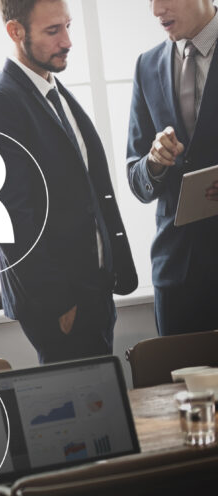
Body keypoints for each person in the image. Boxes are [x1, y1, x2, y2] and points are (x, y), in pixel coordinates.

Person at [0, 0, 137, 364]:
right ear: (16, 32)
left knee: (100, 410)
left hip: (94, 288)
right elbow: (11, 218)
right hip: (61, 300)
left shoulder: (52, 91)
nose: (67, 41)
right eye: (52, 31)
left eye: (68, 26)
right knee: (76, 413)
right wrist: (58, 301)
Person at [127, 0, 218, 336]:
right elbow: (135, 177)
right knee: (174, 388)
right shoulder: (146, 66)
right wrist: (153, 162)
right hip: (176, 274)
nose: (155, 10)